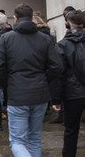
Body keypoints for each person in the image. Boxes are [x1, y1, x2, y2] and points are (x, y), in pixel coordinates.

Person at [0, 3, 63, 157]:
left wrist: (6, 85)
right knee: (34, 138)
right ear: (31, 18)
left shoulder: (6, 38)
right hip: (40, 94)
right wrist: (44, 79)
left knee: (17, 141)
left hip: (17, 94)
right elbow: (57, 66)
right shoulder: (44, 39)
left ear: (15, 18)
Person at [50, 10, 85, 157]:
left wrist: (56, 99)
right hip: (75, 91)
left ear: (67, 24)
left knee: (71, 131)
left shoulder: (62, 45)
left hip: (73, 94)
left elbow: (57, 74)